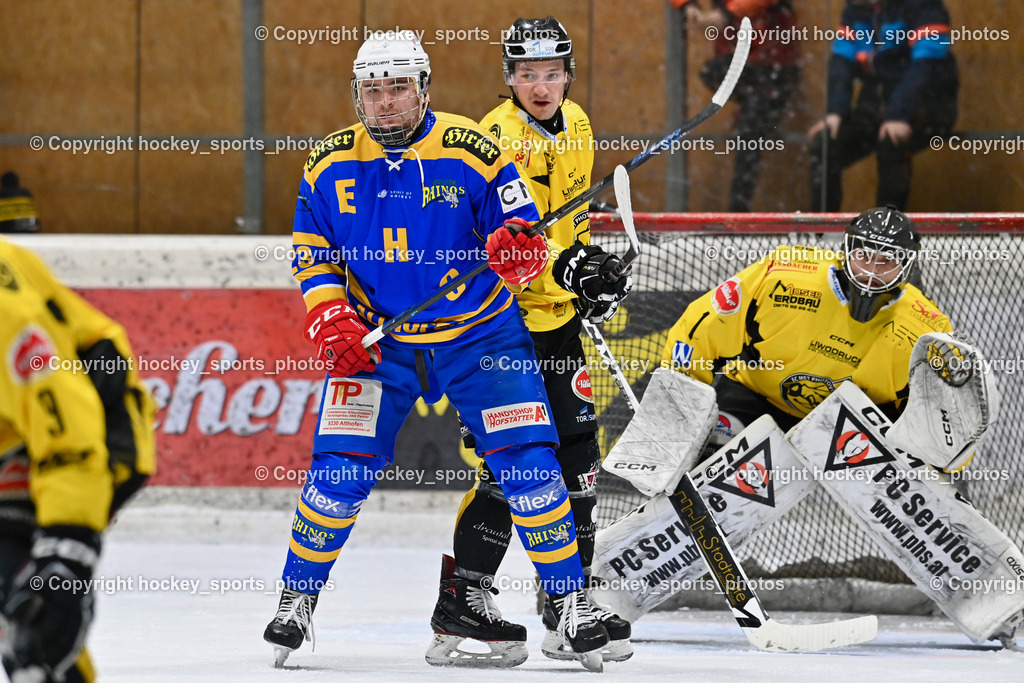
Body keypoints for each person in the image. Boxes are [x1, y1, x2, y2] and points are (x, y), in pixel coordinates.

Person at [262, 30, 612, 672]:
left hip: (480, 336)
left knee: (530, 466)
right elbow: (313, 252)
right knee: (339, 469)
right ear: (357, 96)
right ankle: (296, 599)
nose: (387, 102)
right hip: (380, 343)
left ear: (424, 89)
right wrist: (329, 315)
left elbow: (522, 228)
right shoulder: (327, 161)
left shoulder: (474, 149)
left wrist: (518, 248)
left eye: (399, 87)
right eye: (374, 90)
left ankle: (572, 602)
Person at [426, 17, 634, 668]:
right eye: (526, 75)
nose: (540, 86)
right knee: (507, 467)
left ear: (568, 74)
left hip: (556, 322)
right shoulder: (493, 142)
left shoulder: (578, 123)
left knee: (579, 462)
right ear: (508, 78)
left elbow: (567, 223)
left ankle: (564, 604)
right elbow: (498, 246)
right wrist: (563, 268)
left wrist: (587, 273)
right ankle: (465, 599)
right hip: (497, 325)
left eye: (551, 74)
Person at [662, 206, 953, 445]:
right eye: (864, 256)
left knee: (900, 489)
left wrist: (931, 464)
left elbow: (938, 413)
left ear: (907, 267)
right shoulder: (785, 273)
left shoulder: (926, 327)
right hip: (755, 399)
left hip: (848, 428)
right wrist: (677, 404)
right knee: (712, 456)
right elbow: (699, 330)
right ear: (845, 251)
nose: (871, 272)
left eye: (886, 261)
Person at [0, 239, 157, 682]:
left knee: (30, 614)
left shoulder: (5, 313)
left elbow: (67, 423)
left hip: (88, 428)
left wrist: (67, 551)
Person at [807, 0, 959, 211]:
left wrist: (899, 114)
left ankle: (885, 232)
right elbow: (841, 61)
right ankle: (822, 232)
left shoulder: (923, 6)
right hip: (874, 108)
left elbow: (926, 67)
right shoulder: (856, 10)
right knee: (826, 144)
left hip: (926, 106)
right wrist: (835, 111)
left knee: (892, 142)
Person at [677, 0, 800, 212]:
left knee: (751, 131)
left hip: (774, 65)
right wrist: (689, 6)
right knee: (713, 74)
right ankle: (753, 109)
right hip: (736, 63)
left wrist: (727, 13)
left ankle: (738, 210)